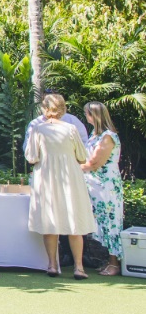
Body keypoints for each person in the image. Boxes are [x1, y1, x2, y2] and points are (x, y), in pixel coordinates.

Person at [25, 93, 97, 278]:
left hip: (47, 177)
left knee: (50, 220)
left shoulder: (38, 129)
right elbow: (82, 156)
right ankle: (79, 267)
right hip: (70, 177)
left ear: (45, 108)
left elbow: (31, 157)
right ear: (63, 108)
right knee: (74, 221)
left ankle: (52, 265)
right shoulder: (71, 128)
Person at [81, 102, 124, 277]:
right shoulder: (95, 135)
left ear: (95, 116)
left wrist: (70, 167)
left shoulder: (108, 136)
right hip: (94, 185)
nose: (86, 117)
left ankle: (115, 263)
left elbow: (95, 163)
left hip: (106, 187)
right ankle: (109, 261)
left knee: (111, 222)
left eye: (88, 114)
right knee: (102, 223)